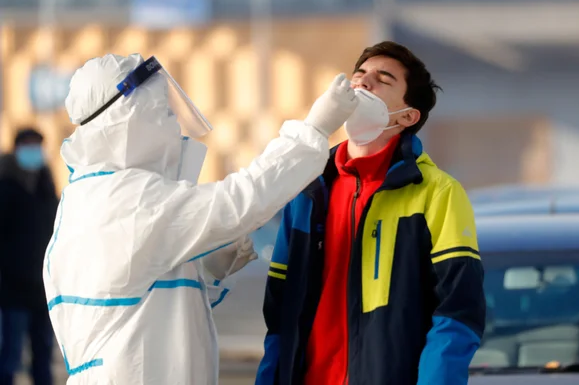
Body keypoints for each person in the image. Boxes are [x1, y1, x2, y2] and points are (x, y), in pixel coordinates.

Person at [42, 53, 357, 384]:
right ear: (126, 121)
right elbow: (240, 200)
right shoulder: (128, 200)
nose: (173, 125)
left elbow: (143, 307)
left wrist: (204, 269)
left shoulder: (91, 197)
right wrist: (313, 131)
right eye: (162, 112)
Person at [256, 41, 486, 385]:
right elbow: (280, 313)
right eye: (359, 75)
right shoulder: (307, 188)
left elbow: (456, 313)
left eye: (383, 79)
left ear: (408, 116)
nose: (363, 83)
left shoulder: (438, 193)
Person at [0, 128, 58, 385]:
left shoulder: (47, 185)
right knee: (10, 354)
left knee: (43, 354)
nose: (35, 151)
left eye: (38, 145)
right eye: (29, 145)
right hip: (13, 289)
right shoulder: (6, 186)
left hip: (43, 288)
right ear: (18, 148)